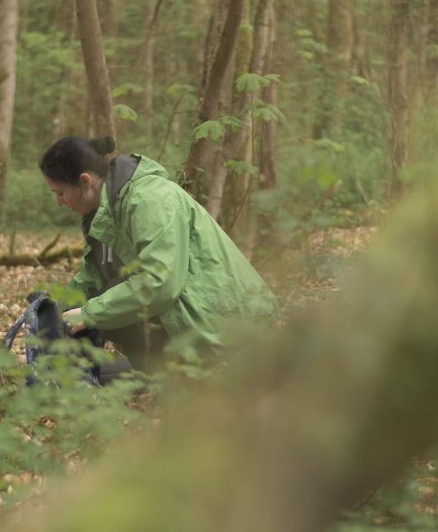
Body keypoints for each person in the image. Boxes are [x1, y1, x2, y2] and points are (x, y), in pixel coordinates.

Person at [39, 135, 280, 372]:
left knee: (102, 311)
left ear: (85, 181)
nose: (59, 202)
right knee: (102, 308)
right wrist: (54, 314)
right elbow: (90, 279)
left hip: (229, 334)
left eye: (59, 192)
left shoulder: (149, 199)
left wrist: (89, 314)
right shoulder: (103, 215)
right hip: (192, 328)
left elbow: (160, 283)